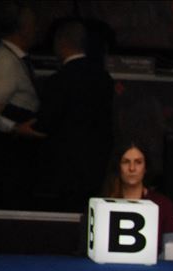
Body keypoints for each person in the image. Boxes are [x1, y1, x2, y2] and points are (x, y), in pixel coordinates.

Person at [28, 18, 113, 213]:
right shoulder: (104, 78)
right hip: (96, 164)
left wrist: (24, 128)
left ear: (60, 43)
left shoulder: (58, 81)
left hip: (63, 169)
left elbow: (45, 124)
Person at [0, 1, 41, 208]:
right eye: (33, 24)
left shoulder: (15, 59)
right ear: (23, 28)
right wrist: (14, 127)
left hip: (19, 146)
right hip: (8, 149)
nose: (37, 29)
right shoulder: (3, 61)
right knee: (11, 203)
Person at [101, 140, 173, 256]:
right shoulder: (102, 205)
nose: (132, 168)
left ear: (146, 167)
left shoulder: (163, 205)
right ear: (118, 166)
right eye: (126, 162)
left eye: (138, 162)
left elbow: (170, 251)